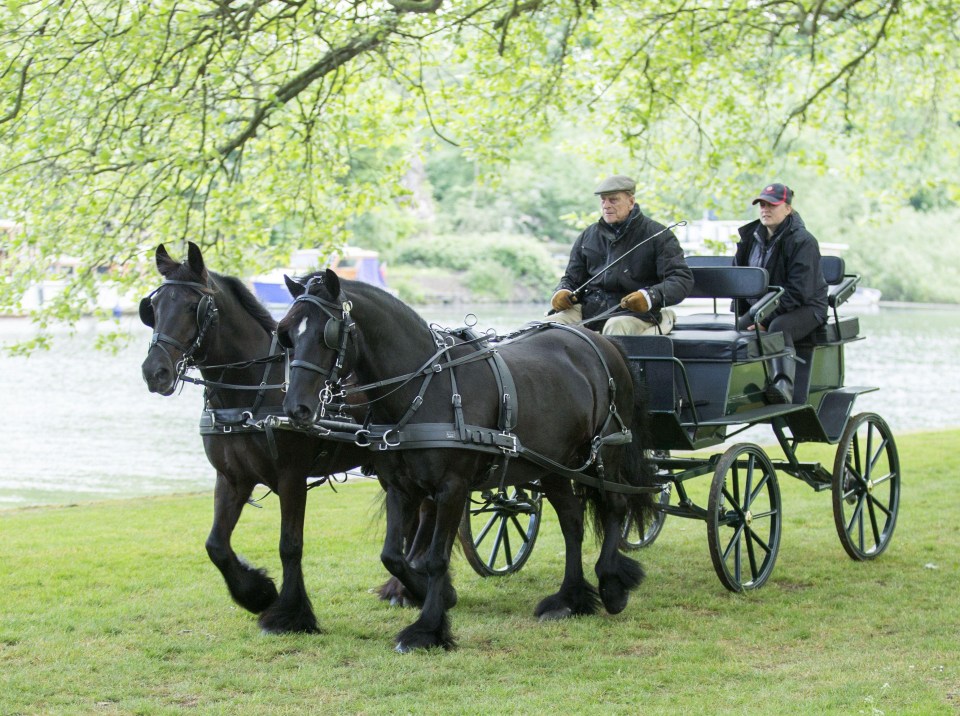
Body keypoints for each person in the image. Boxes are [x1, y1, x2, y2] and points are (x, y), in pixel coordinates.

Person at [550, 175, 693, 336]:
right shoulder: (588, 235)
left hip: (636, 314)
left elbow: (680, 280)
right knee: (543, 328)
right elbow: (572, 278)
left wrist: (649, 296)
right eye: (603, 200)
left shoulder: (659, 236)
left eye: (613, 200)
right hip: (589, 311)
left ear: (631, 202)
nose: (606, 205)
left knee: (615, 327)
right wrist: (561, 292)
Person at [734, 182, 828, 403]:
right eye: (762, 205)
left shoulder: (803, 241)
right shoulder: (750, 238)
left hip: (807, 306)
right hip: (766, 306)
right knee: (738, 328)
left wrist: (766, 319)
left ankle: (783, 384)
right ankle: (744, 387)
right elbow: (741, 279)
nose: (765, 210)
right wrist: (745, 314)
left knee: (778, 327)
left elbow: (799, 291)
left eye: (772, 205)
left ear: (788, 208)